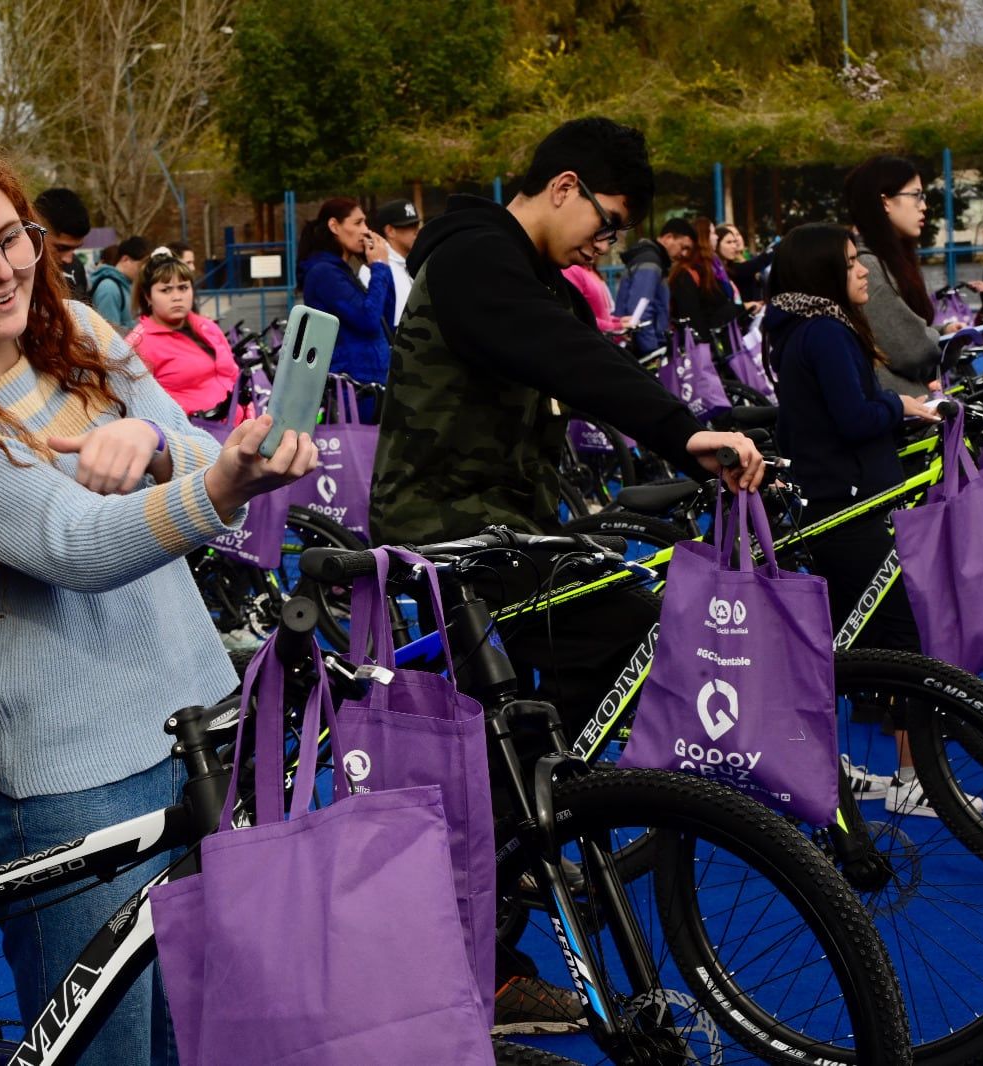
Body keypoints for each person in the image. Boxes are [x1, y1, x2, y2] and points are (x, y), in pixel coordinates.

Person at [370, 115, 763, 1033]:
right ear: (563, 186)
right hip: (451, 538)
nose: (608, 240)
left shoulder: (527, 270)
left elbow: (578, 372)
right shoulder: (473, 256)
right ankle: (513, 888)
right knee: (606, 635)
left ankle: (537, 815)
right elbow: (566, 361)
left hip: (506, 527)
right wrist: (680, 427)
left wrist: (691, 425)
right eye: (609, 219)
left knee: (519, 729)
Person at [0, 155, 317, 1065]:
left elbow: (187, 444)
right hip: (71, 781)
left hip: (196, 731)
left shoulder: (83, 331)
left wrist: (149, 441)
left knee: (203, 1029)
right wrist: (217, 481)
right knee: (113, 1050)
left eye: (14, 240)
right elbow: (77, 546)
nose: (1, 269)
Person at [763, 221, 975, 817]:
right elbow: (854, 418)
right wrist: (901, 404)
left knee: (834, 646)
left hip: (835, 500)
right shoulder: (827, 332)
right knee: (903, 640)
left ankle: (820, 763)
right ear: (825, 272)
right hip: (854, 504)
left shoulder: (798, 331)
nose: (863, 272)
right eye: (852, 262)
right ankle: (915, 777)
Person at [844, 156, 959, 398]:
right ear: (885, 201)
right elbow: (909, 349)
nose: (923, 206)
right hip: (896, 416)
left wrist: (943, 331)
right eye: (916, 195)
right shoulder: (868, 266)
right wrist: (943, 338)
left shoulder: (885, 259)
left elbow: (899, 332)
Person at [125, 249, 240, 418]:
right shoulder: (138, 344)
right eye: (166, 290)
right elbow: (136, 408)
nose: (177, 297)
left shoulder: (207, 326)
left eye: (183, 288)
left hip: (237, 426)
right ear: (148, 296)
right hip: (193, 437)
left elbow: (232, 373)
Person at [297, 197, 394, 389]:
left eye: (365, 222)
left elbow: (385, 317)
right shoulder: (324, 273)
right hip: (353, 389)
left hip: (374, 384)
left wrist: (380, 267)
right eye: (358, 223)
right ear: (334, 226)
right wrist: (379, 268)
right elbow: (368, 320)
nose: (366, 230)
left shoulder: (342, 271)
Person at [613, 216, 696, 355]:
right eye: (683, 247)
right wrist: (652, 351)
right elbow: (640, 311)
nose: (684, 254)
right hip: (643, 348)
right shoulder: (651, 261)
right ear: (669, 237)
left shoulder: (652, 259)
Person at [669, 214, 743, 346]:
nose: (716, 237)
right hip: (704, 348)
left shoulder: (712, 267)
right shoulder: (688, 272)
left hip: (719, 342)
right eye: (713, 233)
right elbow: (697, 316)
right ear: (704, 238)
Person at [34, 187, 93, 302]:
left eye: (76, 248)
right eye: (61, 248)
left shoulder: (77, 268)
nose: (69, 259)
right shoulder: (12, 272)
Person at [374, 198, 423, 326]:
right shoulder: (376, 267)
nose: (417, 230)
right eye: (410, 226)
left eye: (417, 224)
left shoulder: (412, 262)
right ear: (390, 231)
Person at [90, 235, 147, 329]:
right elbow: (109, 333)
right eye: (140, 266)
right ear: (125, 259)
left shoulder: (128, 284)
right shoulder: (109, 288)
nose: (143, 271)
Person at [716, 223, 770, 311]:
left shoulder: (750, 257)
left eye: (737, 234)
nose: (736, 240)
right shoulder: (730, 269)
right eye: (729, 241)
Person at [561, 260, 619, 331]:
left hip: (602, 334)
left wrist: (618, 321)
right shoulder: (572, 270)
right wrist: (615, 326)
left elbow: (602, 313)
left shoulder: (591, 270)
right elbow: (580, 317)